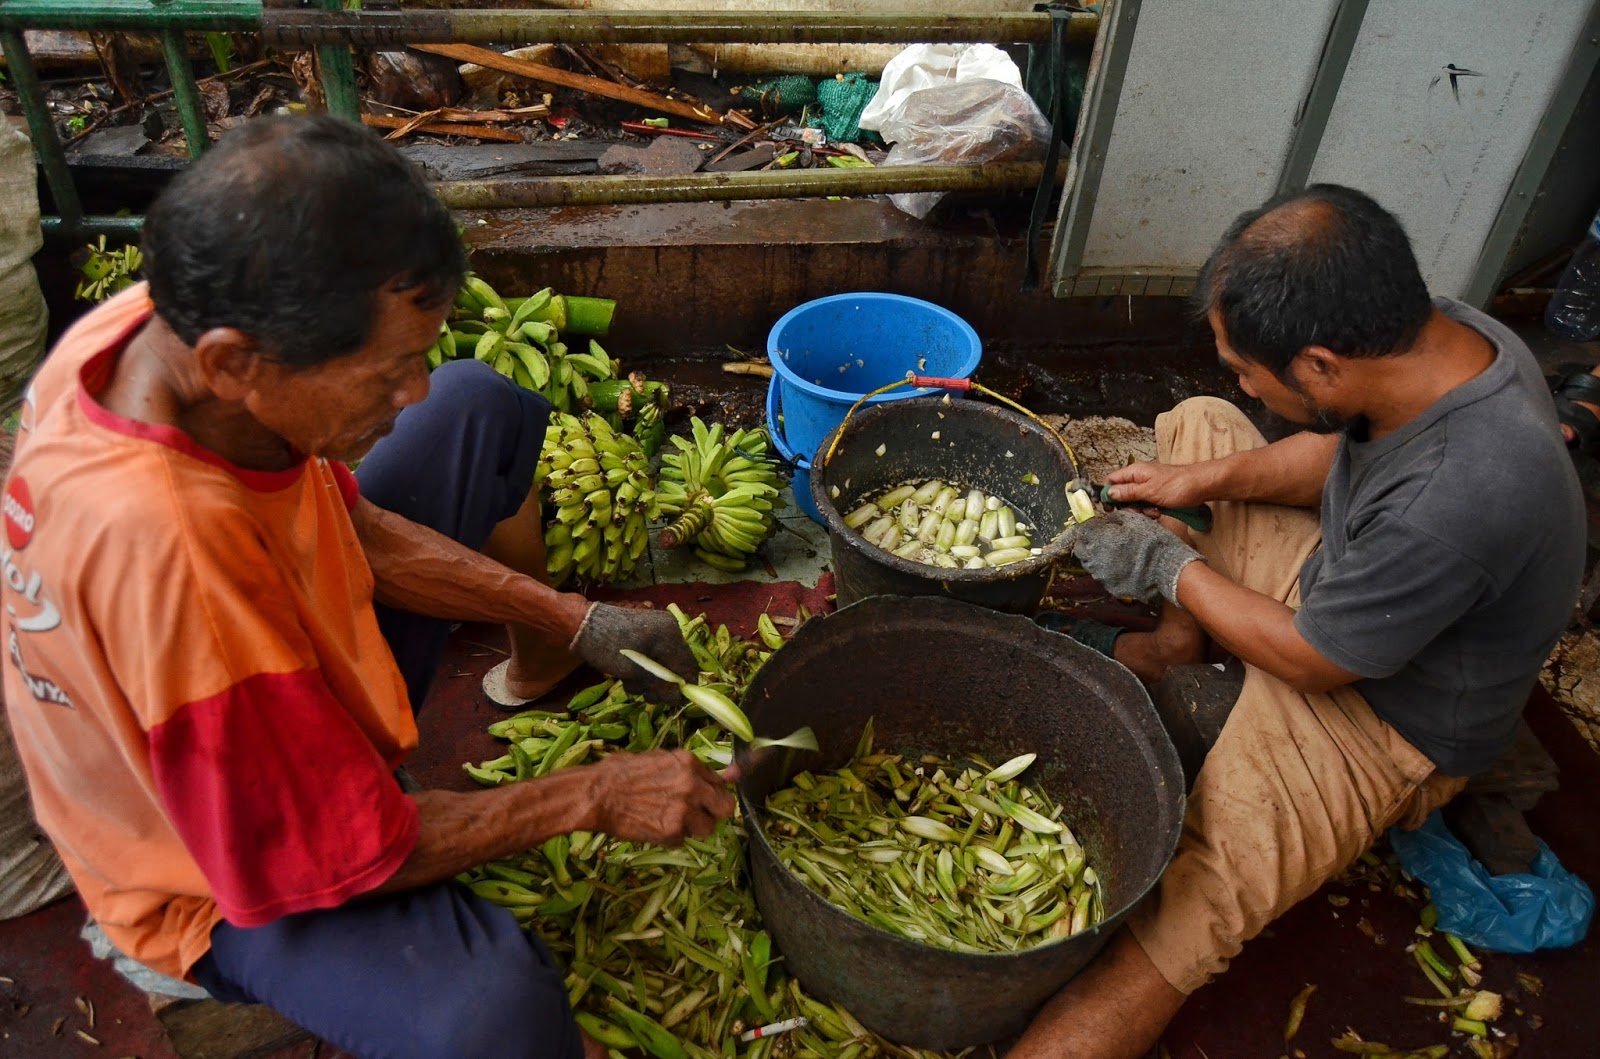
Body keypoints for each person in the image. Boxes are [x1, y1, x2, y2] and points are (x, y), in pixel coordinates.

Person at [1, 115, 737, 1059]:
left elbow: (338, 523)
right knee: (496, 1018)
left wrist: (572, 617)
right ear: (235, 361)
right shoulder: (174, 559)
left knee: (481, 408)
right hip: (205, 860)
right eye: (388, 370)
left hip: (255, 685)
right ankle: (185, 961)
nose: (412, 388)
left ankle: (544, 662)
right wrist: (592, 794)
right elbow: (352, 851)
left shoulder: (155, 336)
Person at [1011, 185, 1585, 1059]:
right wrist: (1198, 486)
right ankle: (1178, 646)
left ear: (1319, 366)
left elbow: (1318, 658)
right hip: (1350, 580)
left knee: (1188, 908)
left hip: (1383, 711)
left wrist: (1171, 565)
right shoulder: (1440, 336)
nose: (1241, 382)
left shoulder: (1460, 494)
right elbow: (1340, 450)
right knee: (1201, 432)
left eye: (1249, 370)